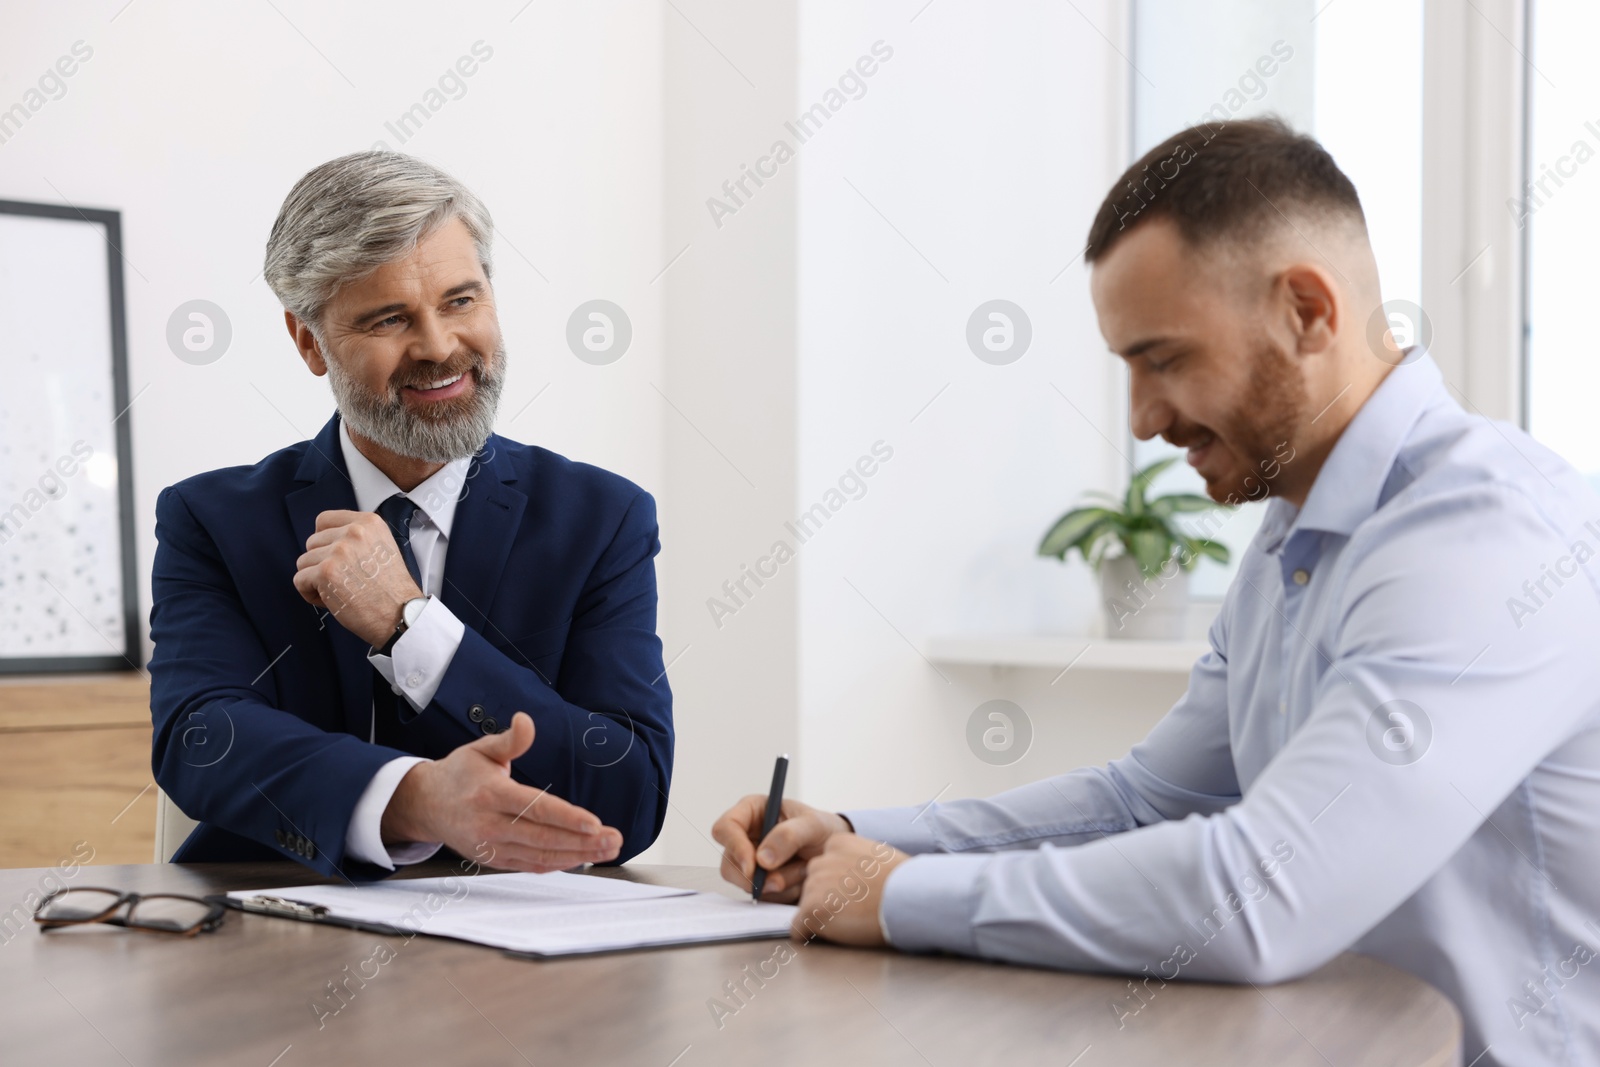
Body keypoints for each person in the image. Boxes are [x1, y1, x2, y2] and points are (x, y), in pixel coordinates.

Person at [713, 118, 1600, 1067]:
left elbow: (1264, 891)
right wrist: (853, 838)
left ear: (1307, 310)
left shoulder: (1486, 535)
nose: (1142, 420)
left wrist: (896, 896)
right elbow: (1143, 802)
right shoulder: (1291, 539)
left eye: (1164, 359)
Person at [150, 152, 672, 881]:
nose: (437, 346)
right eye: (391, 317)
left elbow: (628, 793)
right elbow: (198, 737)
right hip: (277, 942)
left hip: (521, 965)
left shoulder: (600, 519)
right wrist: (411, 798)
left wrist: (411, 626)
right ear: (309, 342)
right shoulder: (212, 520)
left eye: (461, 300)